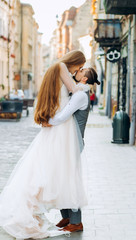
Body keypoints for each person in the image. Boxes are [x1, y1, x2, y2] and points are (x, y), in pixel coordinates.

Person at [0, 50, 88, 239]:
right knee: (66, 173)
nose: (77, 71)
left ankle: (68, 217)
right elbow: (74, 90)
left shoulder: (53, 69)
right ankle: (73, 220)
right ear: (74, 62)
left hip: (56, 127)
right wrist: (83, 85)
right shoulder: (62, 67)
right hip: (62, 128)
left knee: (55, 171)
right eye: (79, 67)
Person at [46, 67, 100, 232]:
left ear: (84, 79)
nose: (78, 71)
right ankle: (67, 216)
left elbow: (63, 116)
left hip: (73, 143)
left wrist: (46, 120)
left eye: (81, 71)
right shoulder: (79, 93)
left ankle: (76, 222)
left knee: (70, 180)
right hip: (69, 142)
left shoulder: (80, 96)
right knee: (62, 178)